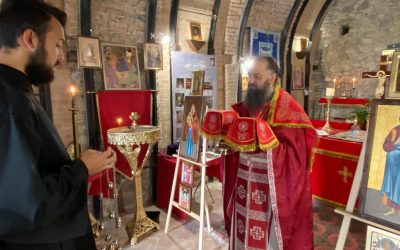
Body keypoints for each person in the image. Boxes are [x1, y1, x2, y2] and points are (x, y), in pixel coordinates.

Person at [0, 1, 117, 250]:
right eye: (57, 45)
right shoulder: (8, 100)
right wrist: (83, 167)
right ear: (30, 38)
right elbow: (27, 205)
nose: (61, 56)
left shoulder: (16, 90)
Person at [224, 56, 317, 249]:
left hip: (270, 191)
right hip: (243, 185)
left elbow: (297, 160)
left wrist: (268, 143)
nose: (250, 81)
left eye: (257, 76)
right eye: (250, 75)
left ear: (272, 78)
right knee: (242, 229)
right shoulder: (249, 106)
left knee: (265, 238)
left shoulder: (289, 110)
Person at [381, 115, 400, 216]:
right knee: (392, 185)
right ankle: (392, 209)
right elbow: (385, 144)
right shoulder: (395, 130)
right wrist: (392, 145)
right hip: (393, 163)